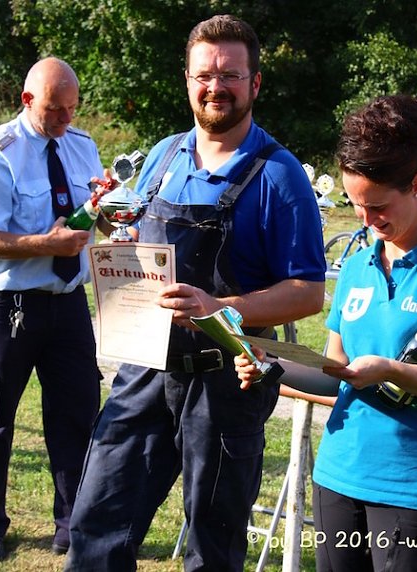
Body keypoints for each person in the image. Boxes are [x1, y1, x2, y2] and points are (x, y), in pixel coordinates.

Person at [65, 15, 326, 571]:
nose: (216, 87)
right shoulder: (161, 156)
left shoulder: (280, 177)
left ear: (254, 84)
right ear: (187, 79)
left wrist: (221, 308)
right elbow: (133, 237)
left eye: (231, 75)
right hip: (145, 368)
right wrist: (119, 242)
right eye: (205, 74)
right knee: (98, 526)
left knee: (212, 545)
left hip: (226, 381)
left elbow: (308, 292)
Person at [236, 94, 417, 571]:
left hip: (416, 491)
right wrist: (271, 366)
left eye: (378, 205)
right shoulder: (359, 266)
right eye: (355, 204)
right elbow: (334, 372)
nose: (366, 220)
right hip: (338, 477)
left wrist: (392, 371)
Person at [0, 57, 108, 562]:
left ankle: (72, 525)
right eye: (54, 109)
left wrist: (116, 221)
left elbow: (98, 214)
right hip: (8, 308)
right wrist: (48, 244)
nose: (65, 119)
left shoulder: (82, 146)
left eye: (72, 108)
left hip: (68, 307)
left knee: (78, 416)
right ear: (27, 101)